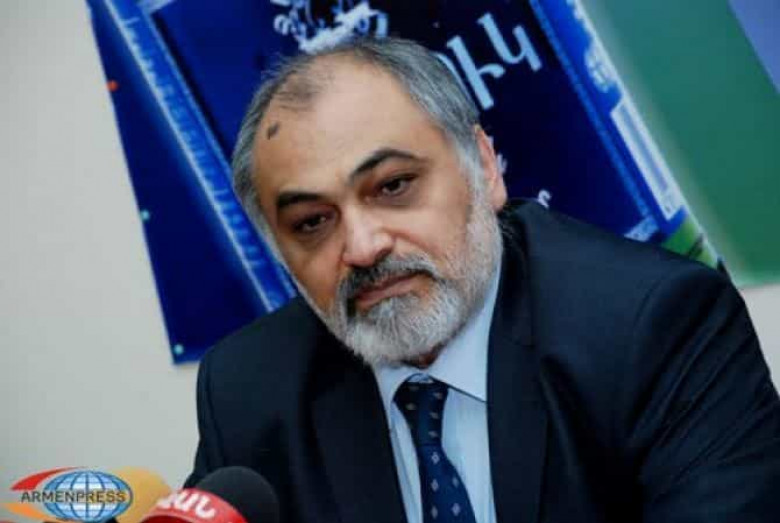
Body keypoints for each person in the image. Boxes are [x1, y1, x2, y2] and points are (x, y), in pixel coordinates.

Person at [185, 37, 780, 522]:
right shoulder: (250, 390)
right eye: (313, 222)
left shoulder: (654, 326)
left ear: (485, 168)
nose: (362, 248)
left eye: (393, 186)